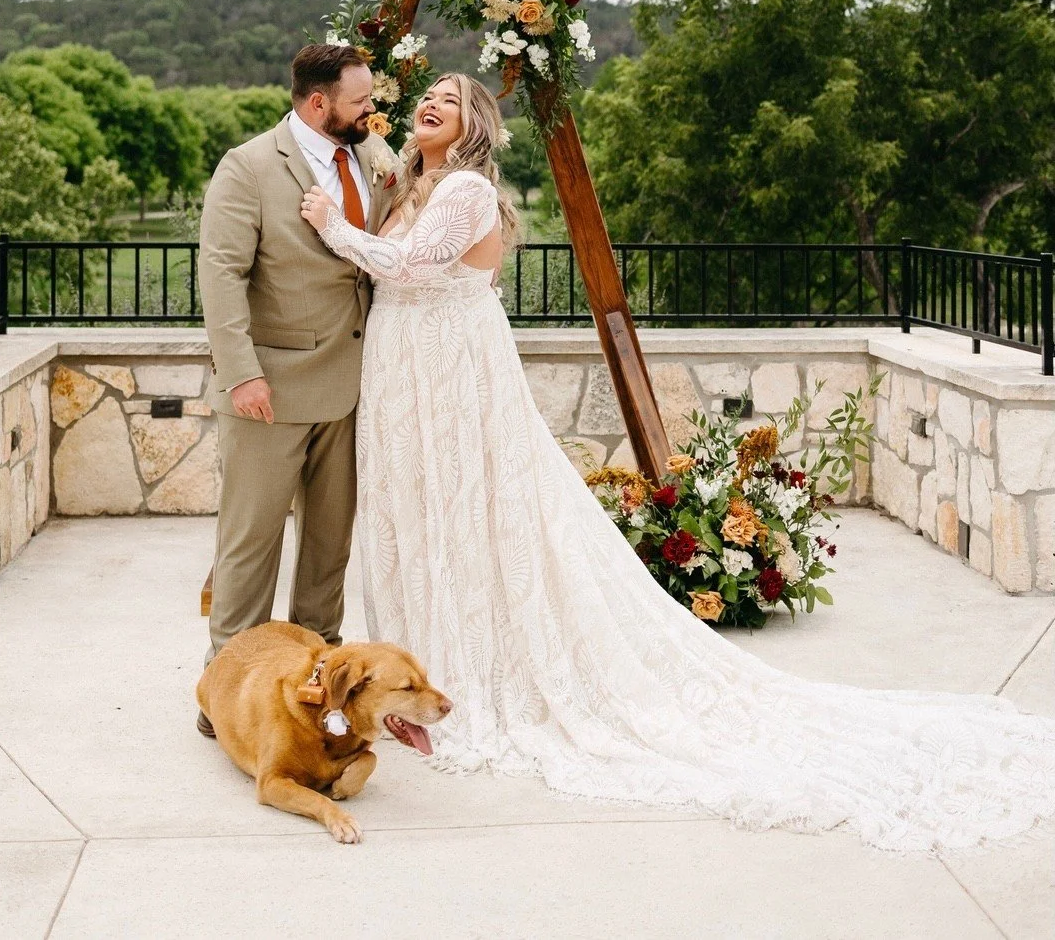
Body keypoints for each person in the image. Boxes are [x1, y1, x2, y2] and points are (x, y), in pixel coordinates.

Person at [299, 71, 1055, 852]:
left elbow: (412, 266)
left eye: (452, 100)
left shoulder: (465, 190)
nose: (432, 103)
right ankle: (411, 677)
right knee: (419, 517)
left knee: (470, 511)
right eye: (428, 94)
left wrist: (332, 226)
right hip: (402, 373)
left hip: (451, 372)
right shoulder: (406, 186)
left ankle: (466, 678)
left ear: (477, 125)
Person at [197, 43, 396, 734]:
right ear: (318, 103)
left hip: (353, 385)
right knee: (250, 545)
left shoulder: (370, 156)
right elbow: (221, 273)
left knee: (328, 546)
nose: (371, 110)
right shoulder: (249, 166)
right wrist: (242, 371)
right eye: (360, 100)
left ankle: (318, 679)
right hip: (270, 391)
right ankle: (224, 690)